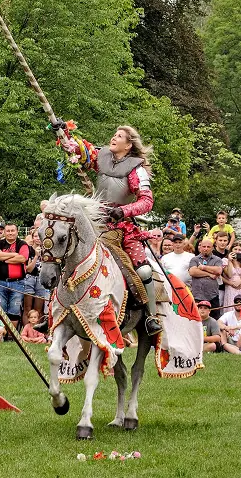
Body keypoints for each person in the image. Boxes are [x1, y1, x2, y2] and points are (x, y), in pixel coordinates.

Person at [59, 124, 161, 334]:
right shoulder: (102, 156)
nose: (113, 138)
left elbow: (147, 201)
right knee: (69, 253)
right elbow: (77, 150)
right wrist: (63, 132)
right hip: (96, 220)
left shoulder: (136, 169)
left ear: (128, 144)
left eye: (119, 136)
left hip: (122, 226)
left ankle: (151, 316)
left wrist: (124, 211)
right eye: (114, 134)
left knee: (142, 269)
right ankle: (58, 305)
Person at [0, 223, 30, 329]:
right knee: (0, 310)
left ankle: (10, 336)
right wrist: (14, 254)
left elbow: (23, 258)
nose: (10, 233)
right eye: (8, 231)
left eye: (12, 230)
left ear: (17, 231)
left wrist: (3, 258)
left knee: (14, 310)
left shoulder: (22, 244)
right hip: (0, 282)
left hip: (18, 283)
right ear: (4, 232)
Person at [188, 238, 223, 319]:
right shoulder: (195, 259)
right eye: (204, 246)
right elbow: (192, 272)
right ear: (200, 247)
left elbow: (218, 271)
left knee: (215, 320)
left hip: (212, 297)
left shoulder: (217, 260)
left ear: (212, 248)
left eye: (208, 247)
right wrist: (210, 274)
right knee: (197, 321)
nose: (206, 249)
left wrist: (203, 267)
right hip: (197, 297)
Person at [222, 243, 241, 309]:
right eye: (235, 249)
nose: (237, 251)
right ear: (231, 250)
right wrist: (230, 260)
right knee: (231, 308)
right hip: (230, 289)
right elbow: (229, 274)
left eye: (239, 250)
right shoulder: (225, 261)